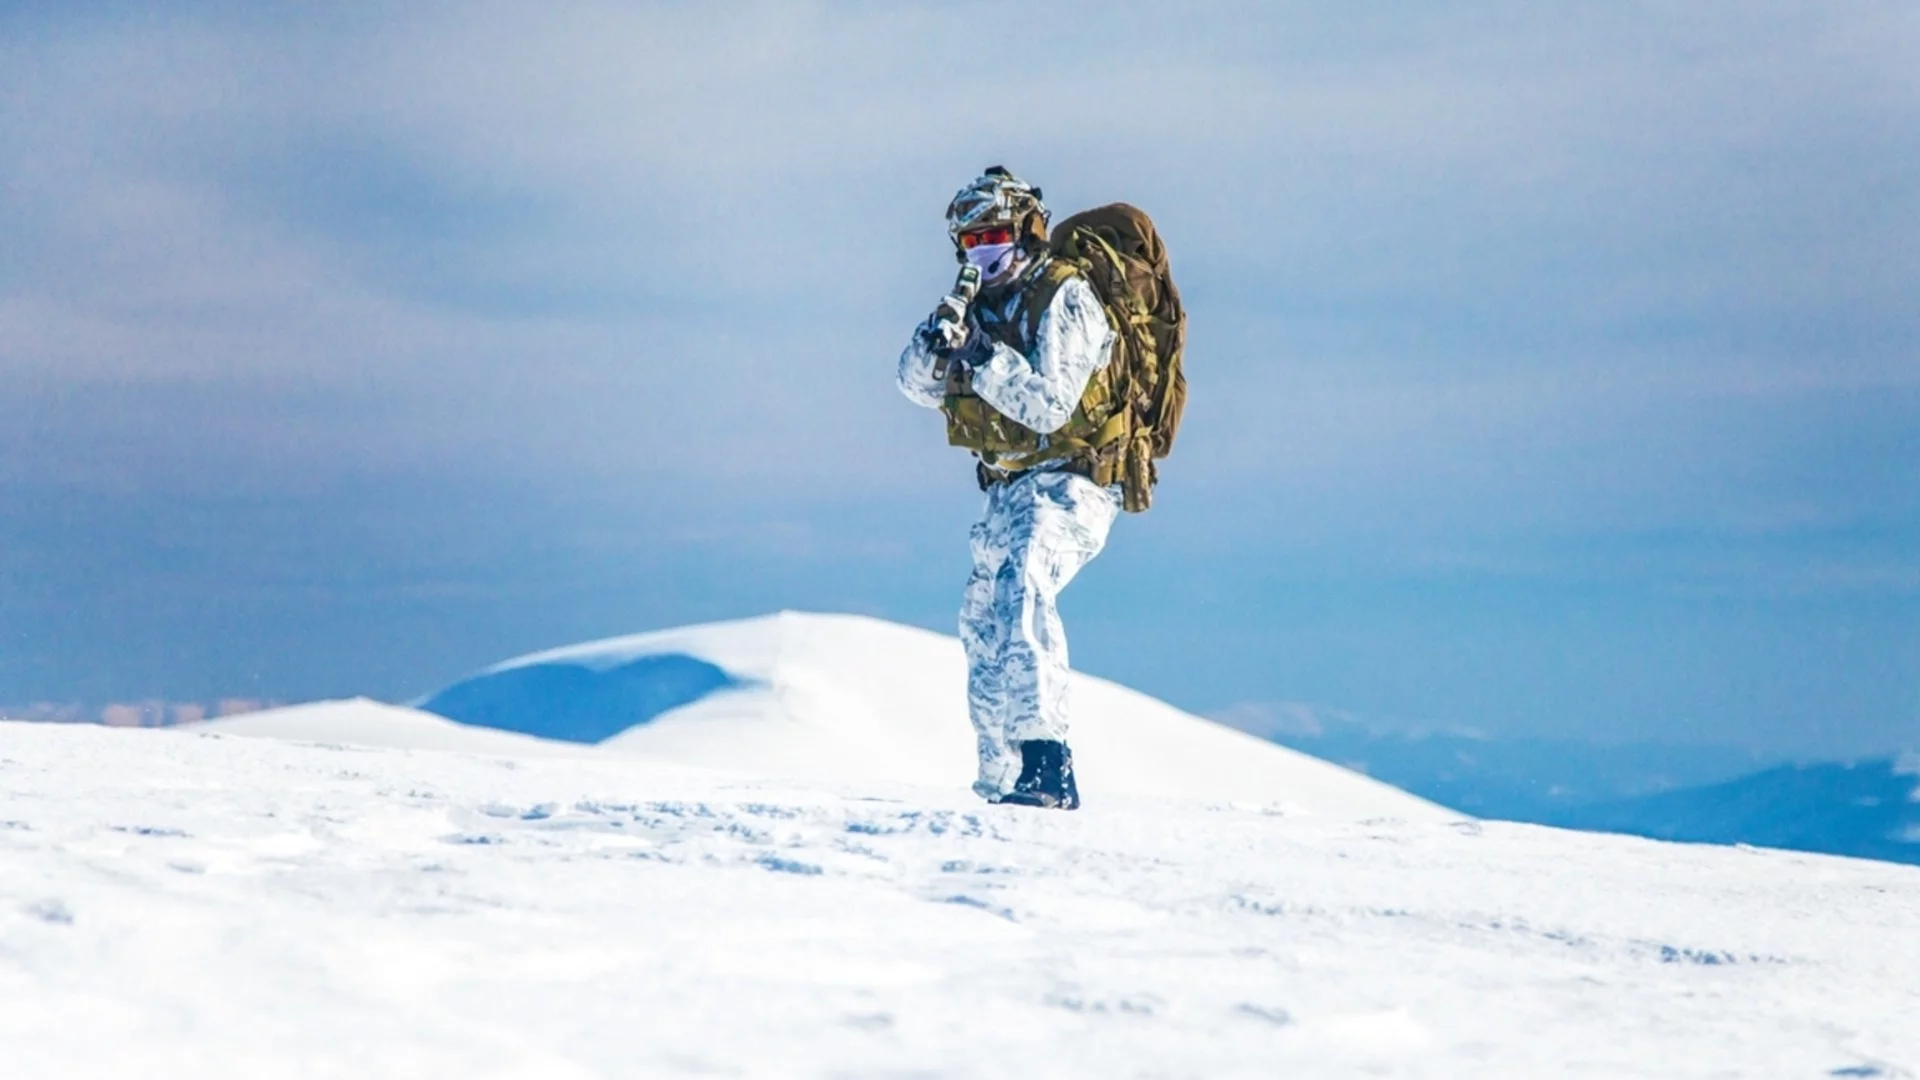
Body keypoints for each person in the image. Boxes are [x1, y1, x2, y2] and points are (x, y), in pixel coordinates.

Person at [896, 167, 1122, 810]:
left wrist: (984, 358)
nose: (983, 254)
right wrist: (937, 344)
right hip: (1007, 488)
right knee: (982, 622)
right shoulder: (978, 306)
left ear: (1024, 233)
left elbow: (1052, 405)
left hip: (1072, 482)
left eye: (994, 236)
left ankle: (1047, 766)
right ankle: (999, 778)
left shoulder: (1065, 297)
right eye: (970, 243)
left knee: (1025, 584)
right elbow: (914, 385)